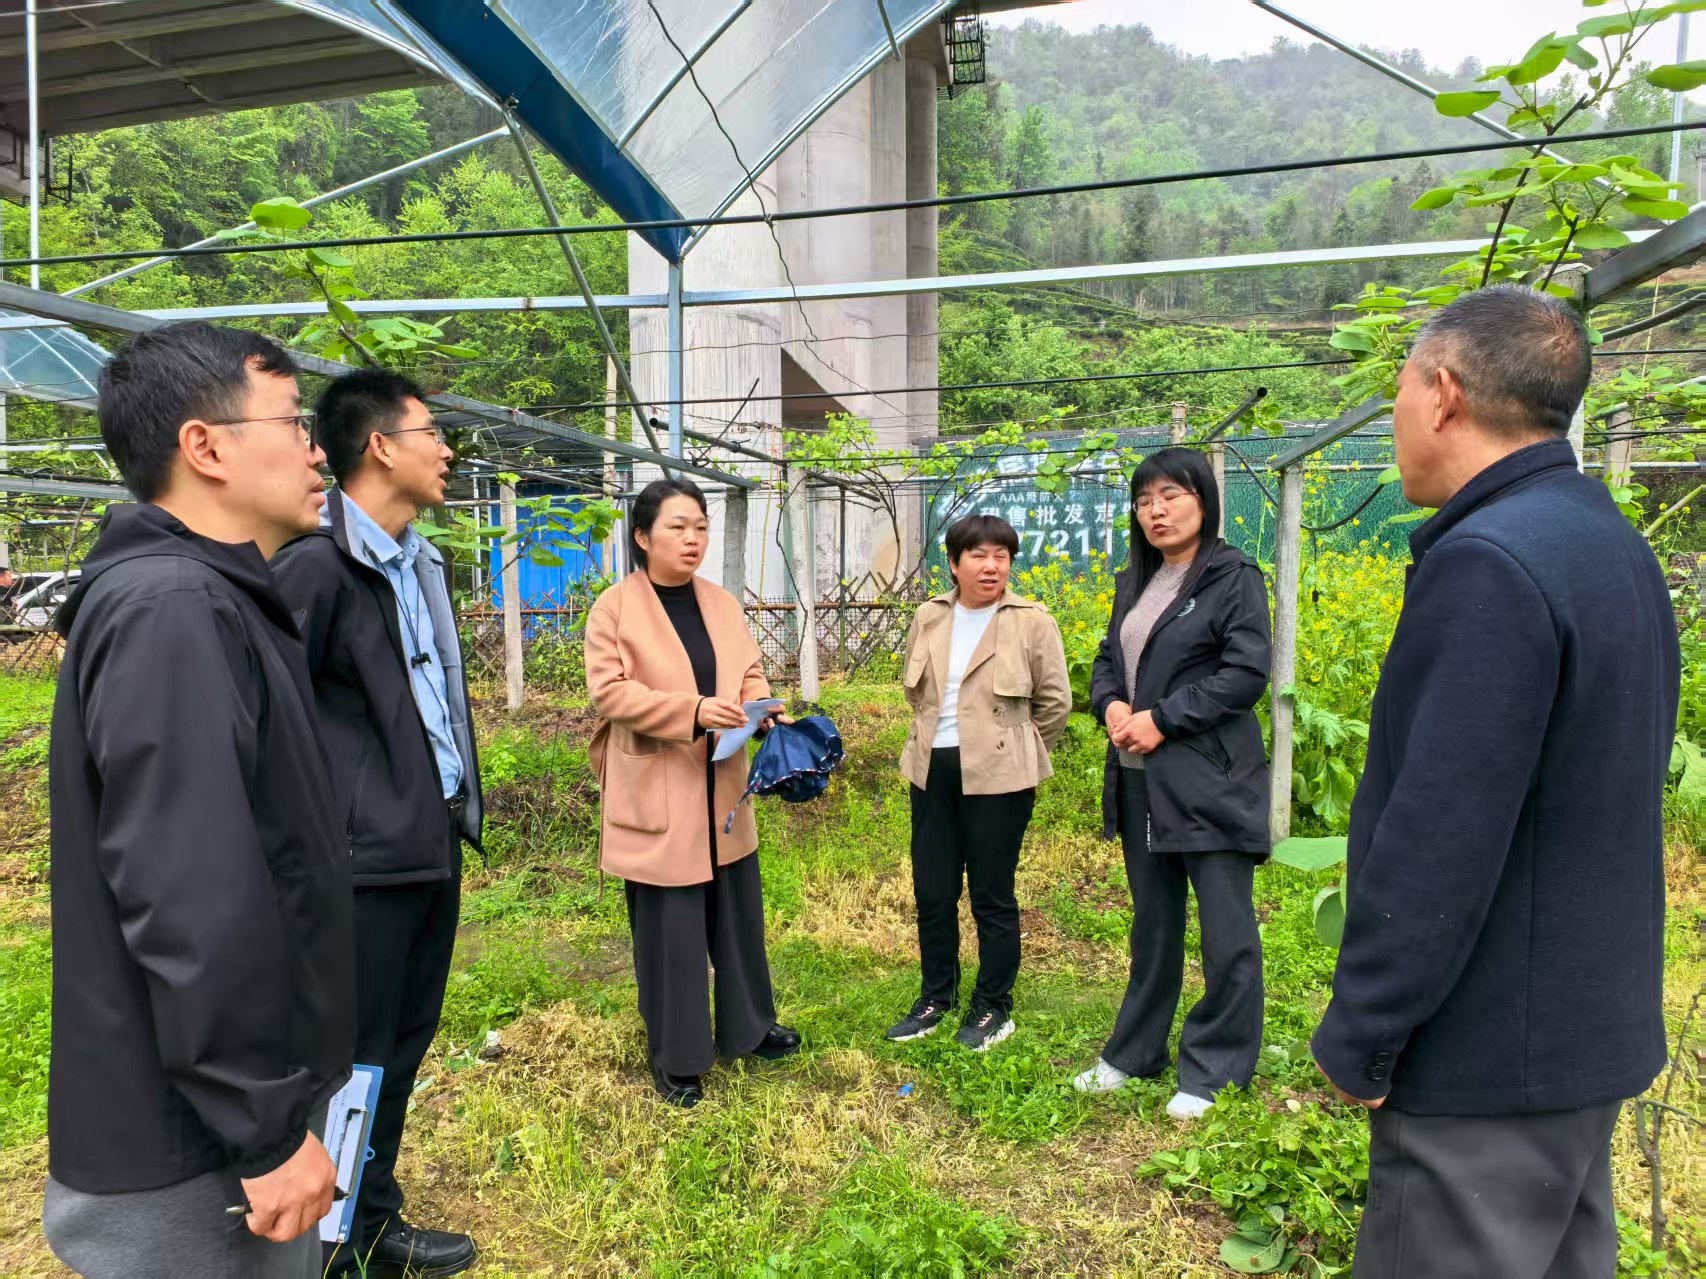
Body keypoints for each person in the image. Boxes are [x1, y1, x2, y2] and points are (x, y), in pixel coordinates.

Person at [1312, 286, 1681, 1278]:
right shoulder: (1609, 544)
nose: (1395, 417)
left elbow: (1440, 835)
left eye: (1398, 391)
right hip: (1578, 1034)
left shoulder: (1487, 561)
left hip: (1483, 1058)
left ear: (1442, 393)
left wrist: (1364, 1032)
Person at [42, 321, 353, 1279]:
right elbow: (189, 892)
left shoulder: (212, 596)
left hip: (219, 1118)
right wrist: (265, 1127)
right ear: (206, 447)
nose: (317, 452)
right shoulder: (173, 606)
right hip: (194, 1147)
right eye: (294, 423)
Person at [271, 370, 482, 1278]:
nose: (448, 450)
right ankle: (322, 1240)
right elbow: (270, 721)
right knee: (350, 1055)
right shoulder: (316, 566)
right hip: (359, 863)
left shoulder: (416, 560)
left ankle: (366, 1215)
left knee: (401, 1042)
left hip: (426, 841)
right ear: (381, 446)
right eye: (432, 432)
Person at [584, 478, 799, 1108]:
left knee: (737, 916)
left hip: (722, 781)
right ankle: (677, 1056)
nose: (693, 539)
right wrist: (693, 711)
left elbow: (748, 670)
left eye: (701, 527)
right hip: (660, 784)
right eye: (677, 527)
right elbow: (610, 693)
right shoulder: (614, 608)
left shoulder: (721, 602)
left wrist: (761, 708)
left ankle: (750, 1027)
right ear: (642, 536)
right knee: (671, 931)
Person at [1073, 446, 1271, 1121]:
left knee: (1226, 933)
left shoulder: (1232, 576)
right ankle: (1136, 1052)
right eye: (1144, 500)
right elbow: (1109, 656)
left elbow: (1245, 673)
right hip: (1140, 781)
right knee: (1153, 926)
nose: (1155, 511)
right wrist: (1111, 705)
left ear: (1204, 501)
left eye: (1170, 496)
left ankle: (1216, 1069)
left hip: (1209, 779)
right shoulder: (1137, 579)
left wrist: (1163, 719)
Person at [886, 514, 1071, 1051]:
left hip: (1000, 778)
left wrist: (1016, 752)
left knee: (991, 894)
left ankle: (993, 1004)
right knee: (933, 891)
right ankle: (935, 997)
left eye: (1001, 556)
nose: (991, 566)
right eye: (978, 555)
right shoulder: (930, 616)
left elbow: (1055, 703)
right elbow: (916, 694)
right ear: (953, 563)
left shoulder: (1032, 621)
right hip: (931, 771)